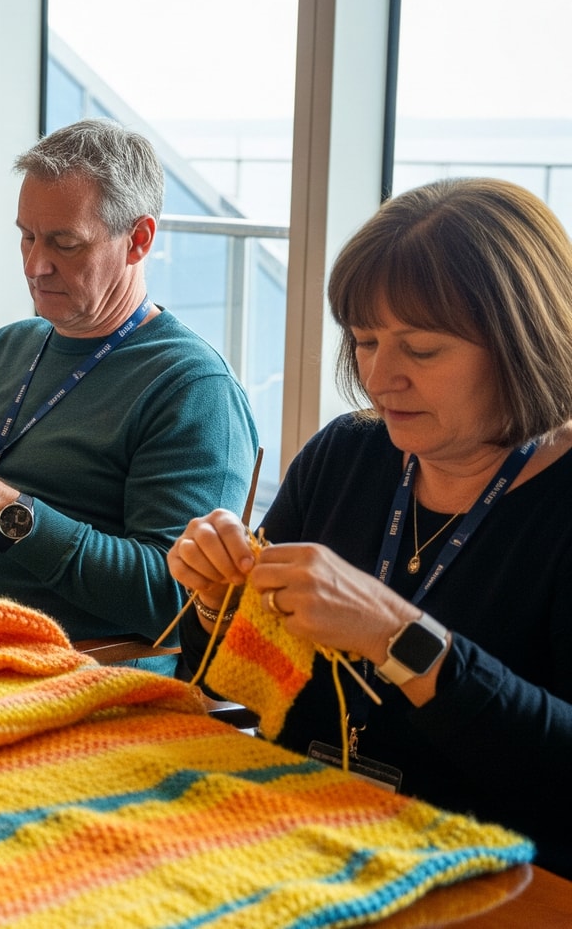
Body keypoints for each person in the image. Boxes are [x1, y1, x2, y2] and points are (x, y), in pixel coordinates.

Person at [168, 178, 572, 875]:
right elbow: (232, 679)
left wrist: (400, 637)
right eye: (364, 340)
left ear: (522, 342)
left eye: (421, 349)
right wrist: (214, 601)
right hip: (302, 840)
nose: (381, 376)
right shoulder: (346, 453)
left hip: (493, 882)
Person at [0, 119, 257, 642]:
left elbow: (176, 602)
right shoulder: (10, 346)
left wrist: (6, 513)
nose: (36, 265)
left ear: (139, 240)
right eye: (27, 237)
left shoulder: (193, 389)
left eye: (65, 243)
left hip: (55, 667)